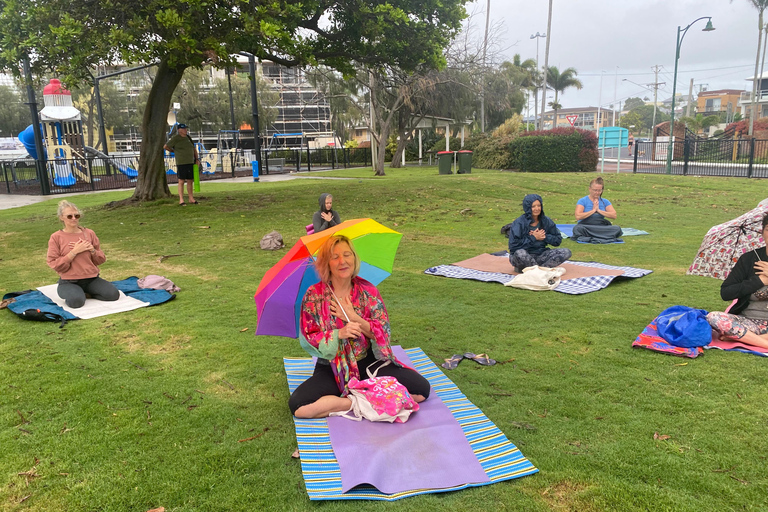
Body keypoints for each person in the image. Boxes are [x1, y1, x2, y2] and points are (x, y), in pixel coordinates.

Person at [288, 235, 430, 418]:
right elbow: (310, 337)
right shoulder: (314, 296)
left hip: (368, 361)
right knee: (299, 406)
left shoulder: (367, 291)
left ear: (354, 258)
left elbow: (383, 332)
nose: (343, 261)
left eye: (347, 254)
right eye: (335, 256)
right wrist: (339, 333)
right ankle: (357, 401)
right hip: (333, 367)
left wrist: (354, 317)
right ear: (326, 263)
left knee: (421, 391)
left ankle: (358, 397)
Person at [706, 213, 768, 350]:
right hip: (749, 322)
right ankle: (763, 342)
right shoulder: (749, 259)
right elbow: (726, 293)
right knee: (714, 317)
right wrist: (759, 281)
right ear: (762, 231)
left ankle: (743, 338)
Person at [46, 200, 120, 308]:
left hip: (91, 279)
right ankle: (77, 294)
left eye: (77, 215)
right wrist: (73, 252)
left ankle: (86, 293)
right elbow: (53, 263)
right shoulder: (56, 237)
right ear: (61, 217)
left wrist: (93, 251)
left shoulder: (89, 233)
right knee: (76, 302)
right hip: (69, 281)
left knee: (113, 295)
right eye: (69, 216)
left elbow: (101, 259)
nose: (74, 219)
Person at [508, 194, 571, 272]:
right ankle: (538, 271)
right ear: (527, 208)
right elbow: (513, 247)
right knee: (520, 253)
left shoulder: (546, 221)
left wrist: (545, 237)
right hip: (524, 256)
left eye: (539, 206)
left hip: (541, 254)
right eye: (533, 206)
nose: (537, 209)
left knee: (566, 252)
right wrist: (533, 238)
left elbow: (557, 240)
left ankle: (538, 270)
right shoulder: (519, 223)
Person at [571, 177, 623, 243]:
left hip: (600, 227)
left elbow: (614, 215)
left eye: (599, 190)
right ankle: (602, 236)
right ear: (590, 189)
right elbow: (578, 216)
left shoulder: (605, 201)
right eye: (595, 190)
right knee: (577, 229)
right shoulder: (582, 201)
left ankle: (594, 235)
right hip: (586, 226)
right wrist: (593, 211)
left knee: (617, 228)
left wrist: (599, 210)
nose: (597, 193)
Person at [163, 123, 200, 206]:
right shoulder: (176, 138)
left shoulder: (188, 138)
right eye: (183, 129)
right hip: (181, 162)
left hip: (190, 162)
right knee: (181, 181)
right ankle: (181, 199)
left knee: (190, 180)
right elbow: (166, 146)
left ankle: (191, 198)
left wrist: (197, 159)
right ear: (179, 130)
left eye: (186, 129)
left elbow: (193, 149)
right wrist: (173, 151)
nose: (185, 130)